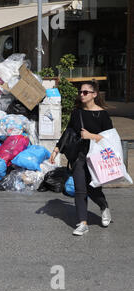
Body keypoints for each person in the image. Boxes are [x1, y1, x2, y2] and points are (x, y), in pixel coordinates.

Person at [50, 81, 113, 236]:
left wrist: (91, 136)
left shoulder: (102, 114)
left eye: (86, 92)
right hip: (79, 155)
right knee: (80, 189)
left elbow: (110, 138)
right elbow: (68, 131)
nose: (82, 95)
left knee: (93, 188)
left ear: (94, 94)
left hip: (97, 157)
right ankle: (82, 223)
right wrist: (57, 149)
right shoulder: (77, 112)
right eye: (81, 92)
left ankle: (104, 207)